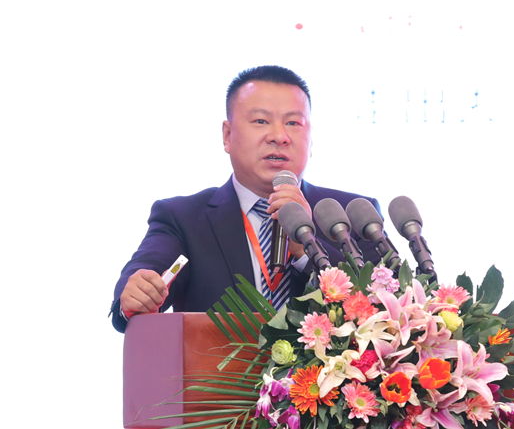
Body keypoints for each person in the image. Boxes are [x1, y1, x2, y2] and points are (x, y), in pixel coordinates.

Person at [110, 66, 383, 333]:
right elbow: (145, 275)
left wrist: (306, 249)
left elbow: (383, 311)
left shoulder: (353, 216)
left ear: (311, 139)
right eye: (261, 121)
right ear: (228, 135)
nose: (279, 137)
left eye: (293, 123)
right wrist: (135, 294)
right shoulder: (183, 218)